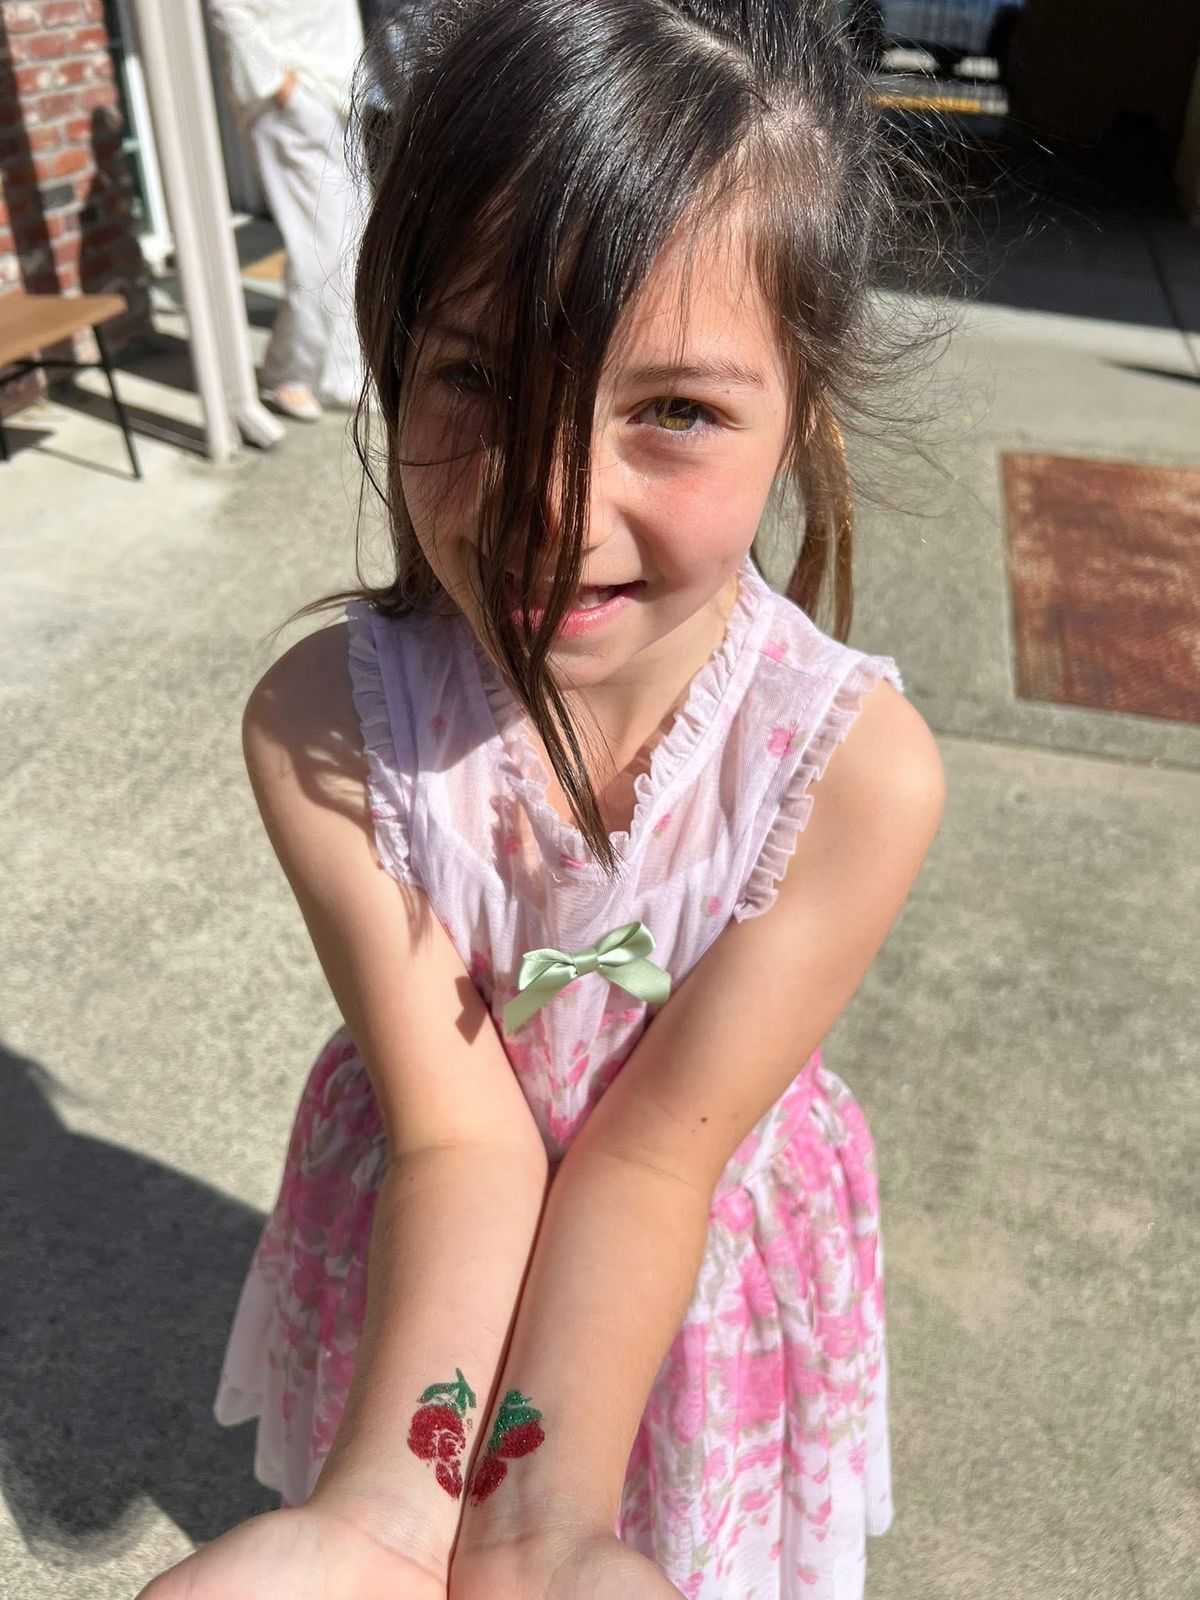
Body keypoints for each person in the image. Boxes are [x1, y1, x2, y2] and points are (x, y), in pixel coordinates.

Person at [140, 1, 947, 1597]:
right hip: (429, 1257)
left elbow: (652, 1163)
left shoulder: (851, 781)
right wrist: (386, 1514)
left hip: (690, 1257)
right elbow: (458, 1138)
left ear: (803, 410)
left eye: (675, 410)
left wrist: (544, 1525)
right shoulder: (327, 736)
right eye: (473, 377)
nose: (552, 503)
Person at [206, 0, 365, 420]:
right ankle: (289, 371)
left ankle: (341, 373)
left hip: (334, 93)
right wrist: (277, 84)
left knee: (351, 239)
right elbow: (226, 8)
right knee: (319, 247)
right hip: (294, 98)